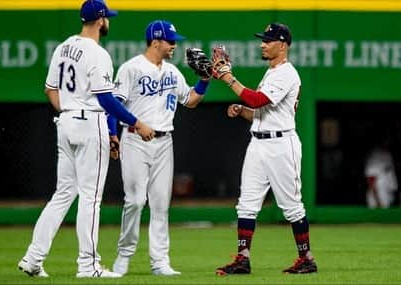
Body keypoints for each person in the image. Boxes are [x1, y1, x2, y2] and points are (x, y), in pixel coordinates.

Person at [18, 0, 154, 278]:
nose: (109, 22)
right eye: (108, 18)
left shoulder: (63, 47)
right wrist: (136, 123)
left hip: (66, 121)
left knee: (63, 194)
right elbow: (105, 99)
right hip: (90, 122)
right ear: (101, 20)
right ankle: (88, 265)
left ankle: (32, 259)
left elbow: (50, 90)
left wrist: (69, 110)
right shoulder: (98, 53)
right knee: (90, 198)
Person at [213, 23, 318, 275]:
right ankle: (242, 258)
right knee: (247, 204)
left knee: (291, 205)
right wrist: (243, 112)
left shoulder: (287, 73)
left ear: (282, 45)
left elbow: (257, 99)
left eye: (268, 40)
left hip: (282, 145)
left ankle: (306, 258)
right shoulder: (271, 72)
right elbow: (260, 111)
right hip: (258, 143)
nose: (263, 44)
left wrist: (229, 78)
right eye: (263, 39)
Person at [110, 19, 211, 276]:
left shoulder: (172, 72)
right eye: (171, 41)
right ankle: (124, 256)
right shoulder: (131, 68)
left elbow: (190, 100)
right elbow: (114, 104)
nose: (174, 45)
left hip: (165, 141)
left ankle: (160, 262)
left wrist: (204, 80)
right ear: (156, 42)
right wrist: (113, 133)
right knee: (134, 201)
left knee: (160, 204)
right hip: (134, 139)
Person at [364, 138, 398, 208]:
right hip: (379, 198)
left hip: (388, 195)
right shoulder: (375, 155)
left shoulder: (387, 154)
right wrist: (378, 201)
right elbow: (370, 180)